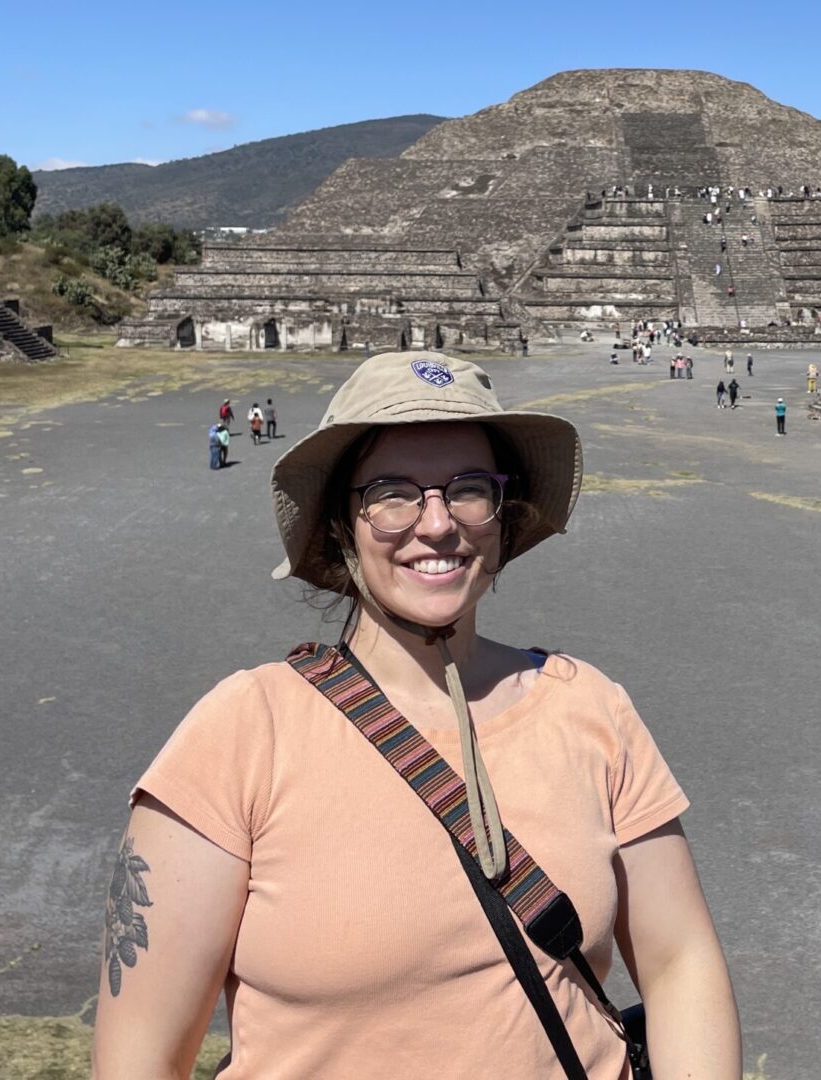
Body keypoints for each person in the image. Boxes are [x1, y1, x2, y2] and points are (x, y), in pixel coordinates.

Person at [92, 353, 742, 1078]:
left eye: (469, 490)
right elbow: (138, 1060)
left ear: (504, 513)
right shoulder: (242, 733)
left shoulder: (588, 706)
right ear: (341, 520)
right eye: (391, 494)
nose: (436, 524)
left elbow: (680, 960)